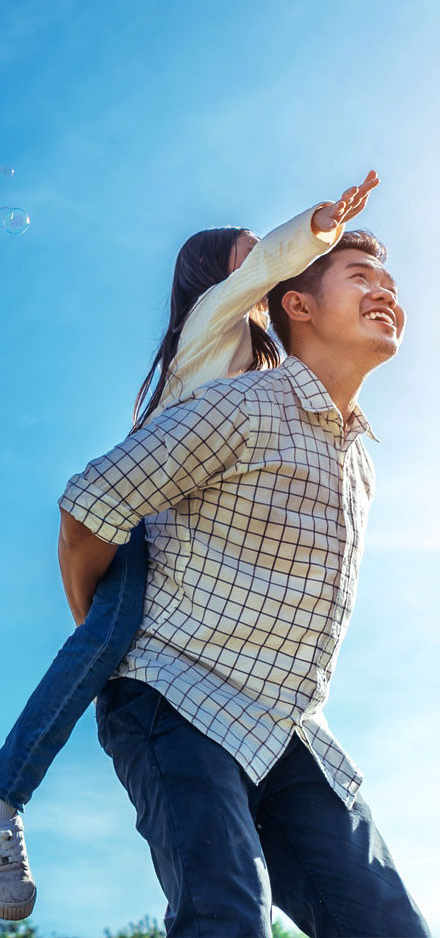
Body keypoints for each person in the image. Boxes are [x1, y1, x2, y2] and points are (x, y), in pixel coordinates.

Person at [0, 170, 378, 922]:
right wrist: (320, 228)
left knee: (99, 646)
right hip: (145, 527)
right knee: (101, 640)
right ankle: (6, 795)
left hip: (185, 535)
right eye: (252, 255)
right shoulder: (212, 321)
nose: (267, 264)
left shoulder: (263, 369)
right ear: (220, 276)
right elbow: (274, 263)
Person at [56, 222, 431, 937]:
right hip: (176, 695)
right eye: (360, 277)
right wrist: (105, 648)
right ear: (297, 305)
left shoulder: (361, 462)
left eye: (389, 285)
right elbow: (88, 508)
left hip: (287, 723)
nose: (384, 291)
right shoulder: (243, 405)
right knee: (226, 918)